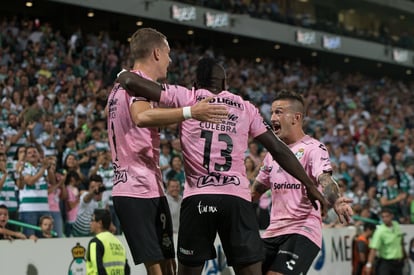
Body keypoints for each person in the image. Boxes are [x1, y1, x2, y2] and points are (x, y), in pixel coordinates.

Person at [117, 57, 328, 275]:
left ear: (196, 82)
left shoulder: (187, 96)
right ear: (225, 83)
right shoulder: (245, 107)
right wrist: (309, 184)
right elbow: (278, 148)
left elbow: (131, 82)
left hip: (199, 198)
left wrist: (121, 74)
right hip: (236, 200)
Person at [107, 28, 228, 275]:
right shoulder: (138, 84)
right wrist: (190, 112)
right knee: (159, 271)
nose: (171, 60)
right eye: (168, 54)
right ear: (156, 53)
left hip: (146, 185)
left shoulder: (122, 85)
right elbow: (140, 117)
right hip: (136, 189)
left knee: (168, 267)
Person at [250, 90, 354, 275]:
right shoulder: (272, 155)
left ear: (296, 118)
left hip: (302, 229)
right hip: (273, 231)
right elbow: (255, 191)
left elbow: (325, 179)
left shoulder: (314, 148)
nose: (273, 117)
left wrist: (336, 200)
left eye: (279, 112)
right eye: (273, 112)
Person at [86, 209, 130, 275]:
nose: (90, 223)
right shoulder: (119, 243)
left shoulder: (95, 242)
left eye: (92, 220)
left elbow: (98, 269)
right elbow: (127, 269)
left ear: (100, 223)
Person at [366, 208, 407, 275]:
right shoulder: (380, 231)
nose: (385, 219)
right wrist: (369, 264)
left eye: (387, 216)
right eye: (383, 217)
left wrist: (404, 254)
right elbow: (373, 249)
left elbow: (400, 241)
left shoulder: (396, 225)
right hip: (386, 263)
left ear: (392, 216)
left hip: (398, 262)